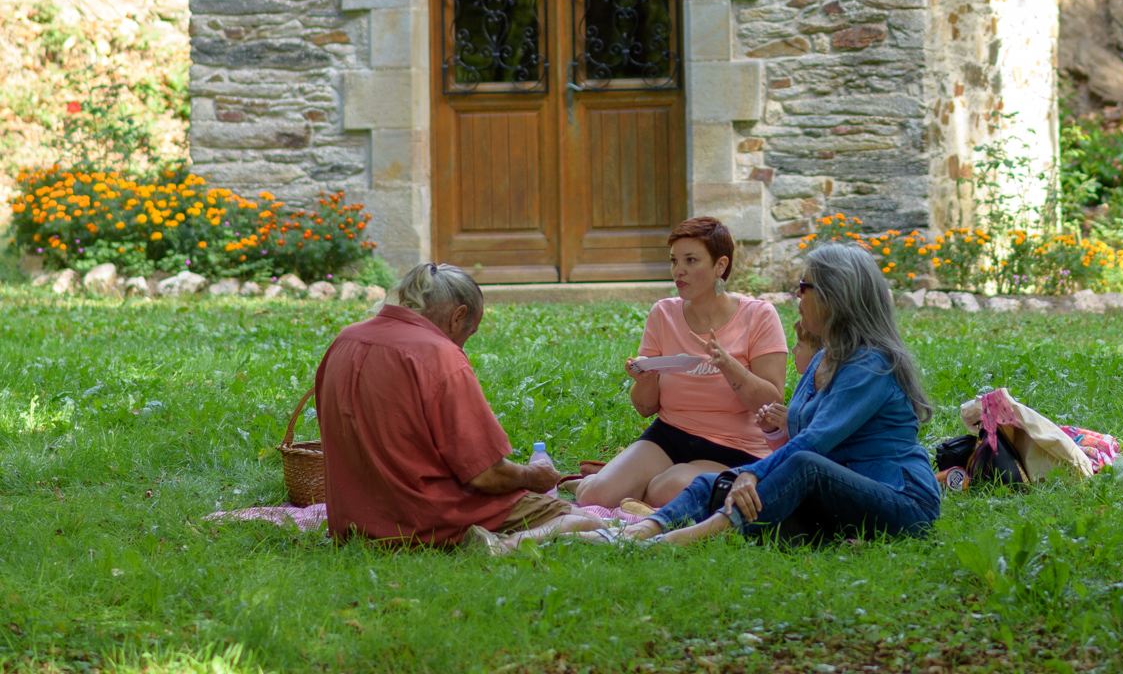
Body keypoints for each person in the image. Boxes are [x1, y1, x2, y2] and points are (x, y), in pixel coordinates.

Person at [616, 241, 940, 547]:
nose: (797, 297)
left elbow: (813, 444)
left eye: (803, 288)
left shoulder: (870, 364)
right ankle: (638, 531)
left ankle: (687, 538)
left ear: (832, 296)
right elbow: (797, 435)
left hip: (901, 499)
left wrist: (753, 473)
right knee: (721, 481)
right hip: (838, 496)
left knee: (797, 466)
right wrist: (745, 474)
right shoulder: (822, 358)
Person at [314, 261, 598, 550]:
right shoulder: (440, 354)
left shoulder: (345, 338)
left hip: (353, 523)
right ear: (458, 316)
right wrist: (533, 476)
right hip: (427, 519)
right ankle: (505, 547)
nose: (463, 346)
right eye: (468, 333)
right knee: (584, 520)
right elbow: (486, 475)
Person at [576, 216, 788, 510]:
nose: (679, 271)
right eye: (674, 261)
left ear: (720, 266)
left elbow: (771, 403)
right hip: (671, 433)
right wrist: (646, 379)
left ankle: (642, 489)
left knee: (666, 488)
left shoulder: (760, 315)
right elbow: (645, 408)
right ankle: (619, 484)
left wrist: (726, 363)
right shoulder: (663, 313)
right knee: (593, 496)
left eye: (691, 260)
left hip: (735, 447)